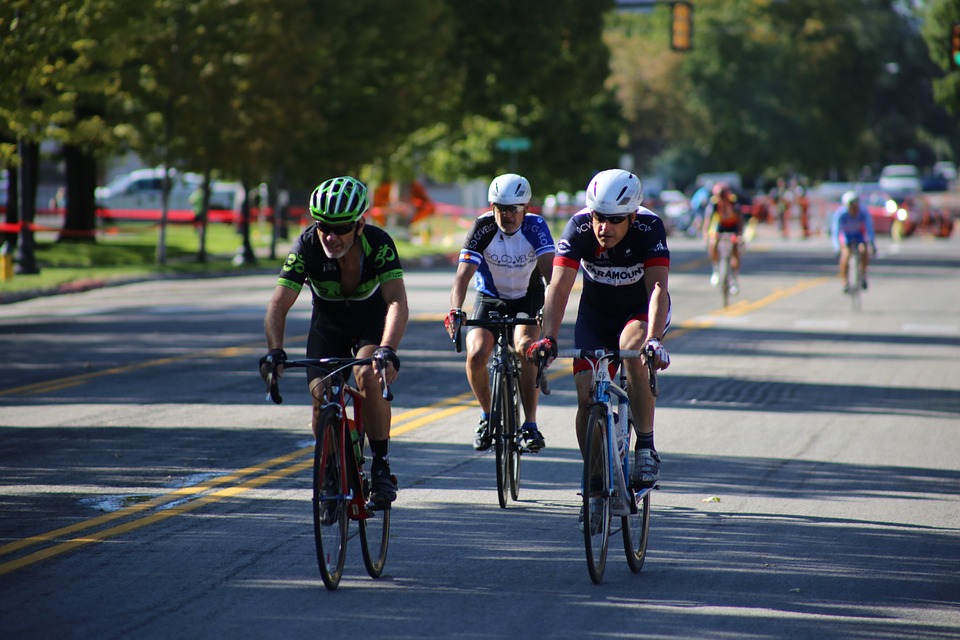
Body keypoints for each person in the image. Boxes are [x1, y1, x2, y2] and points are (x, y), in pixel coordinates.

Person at [527, 169, 671, 528]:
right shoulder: (577, 228)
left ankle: (645, 447)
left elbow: (657, 290)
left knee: (632, 349)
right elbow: (558, 290)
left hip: (640, 312)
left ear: (633, 216)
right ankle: (593, 482)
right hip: (596, 313)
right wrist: (548, 337)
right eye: (597, 216)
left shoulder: (649, 228)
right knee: (585, 392)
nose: (603, 226)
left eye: (614, 219)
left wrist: (654, 339)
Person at [259, 176, 409, 506]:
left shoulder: (379, 243)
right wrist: (275, 351)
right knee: (320, 398)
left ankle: (381, 466)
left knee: (368, 375)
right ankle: (330, 469)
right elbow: (278, 303)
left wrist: (388, 349)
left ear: (359, 225)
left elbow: (397, 300)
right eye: (323, 225)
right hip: (329, 325)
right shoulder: (308, 246)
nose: (330, 236)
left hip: (371, 323)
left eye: (341, 228)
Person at [445, 173, 555, 452]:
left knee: (525, 347)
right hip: (490, 298)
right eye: (501, 208)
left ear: (526, 208)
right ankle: (486, 415)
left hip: (528, 298)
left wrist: (548, 309)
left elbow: (551, 275)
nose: (508, 215)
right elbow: (461, 277)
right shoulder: (482, 227)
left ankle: (529, 424)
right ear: (491, 207)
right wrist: (456, 310)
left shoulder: (536, 227)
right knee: (477, 352)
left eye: (514, 209)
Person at [702, 182, 745, 294]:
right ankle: (716, 269)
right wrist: (706, 234)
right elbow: (708, 220)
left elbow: (740, 220)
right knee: (713, 243)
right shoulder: (714, 203)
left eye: (723, 196)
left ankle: (734, 279)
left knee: (735, 248)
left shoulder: (733, 202)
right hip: (721, 226)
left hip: (733, 226)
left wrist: (740, 235)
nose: (722, 199)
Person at [830, 190, 876, 292]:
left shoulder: (863, 212)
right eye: (851, 206)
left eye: (856, 205)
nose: (854, 208)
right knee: (845, 255)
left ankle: (863, 274)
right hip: (846, 236)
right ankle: (845, 281)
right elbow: (835, 231)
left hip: (858, 235)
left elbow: (869, 229)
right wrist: (836, 247)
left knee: (863, 251)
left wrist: (872, 243)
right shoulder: (841, 214)